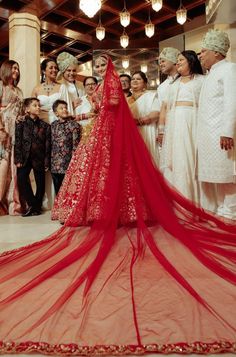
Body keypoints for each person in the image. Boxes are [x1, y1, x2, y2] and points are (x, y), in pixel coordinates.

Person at [0, 54, 236, 355]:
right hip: (102, 133)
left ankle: (122, 211)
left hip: (111, 133)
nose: (99, 70)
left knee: (118, 176)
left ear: (107, 67)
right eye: (96, 67)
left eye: (101, 65)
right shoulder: (99, 86)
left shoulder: (110, 84)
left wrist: (99, 107)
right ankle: (105, 210)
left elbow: (113, 106)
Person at [197, 29, 236, 220]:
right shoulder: (211, 74)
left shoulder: (230, 69)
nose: (200, 55)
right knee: (217, 176)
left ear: (217, 53)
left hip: (222, 134)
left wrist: (227, 132)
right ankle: (221, 210)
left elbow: (232, 101)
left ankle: (230, 213)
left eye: (204, 51)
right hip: (209, 134)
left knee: (227, 174)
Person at [158, 50, 204, 204]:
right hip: (175, 124)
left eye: (181, 60)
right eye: (176, 60)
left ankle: (198, 203)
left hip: (194, 121)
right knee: (178, 160)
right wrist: (162, 130)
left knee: (193, 158)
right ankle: (181, 205)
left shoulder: (202, 80)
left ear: (191, 61)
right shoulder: (173, 85)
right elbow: (164, 108)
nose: (177, 63)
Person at [14, 97, 51, 216]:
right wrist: (18, 158)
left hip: (39, 157)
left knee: (40, 183)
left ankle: (37, 207)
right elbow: (18, 142)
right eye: (35, 105)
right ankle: (33, 205)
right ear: (27, 109)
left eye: (39, 105)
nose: (38, 107)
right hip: (25, 157)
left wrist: (46, 161)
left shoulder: (45, 126)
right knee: (21, 179)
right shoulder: (21, 123)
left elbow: (47, 145)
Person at [0, 59, 23, 216]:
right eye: (14, 68)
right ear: (7, 69)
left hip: (16, 131)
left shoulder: (19, 91)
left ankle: (13, 204)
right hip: (4, 129)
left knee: (13, 168)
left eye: (17, 69)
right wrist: (0, 129)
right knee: (2, 165)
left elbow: (20, 111)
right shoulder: (0, 86)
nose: (16, 71)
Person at [128, 71, 159, 166]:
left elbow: (156, 113)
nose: (135, 81)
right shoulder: (127, 99)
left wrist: (138, 121)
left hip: (147, 130)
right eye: (133, 79)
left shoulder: (151, 96)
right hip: (131, 133)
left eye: (138, 79)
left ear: (145, 83)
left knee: (148, 160)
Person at [51, 99, 81, 195]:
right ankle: (58, 209)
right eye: (61, 108)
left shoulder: (74, 125)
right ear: (56, 113)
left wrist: (74, 162)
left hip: (68, 164)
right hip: (54, 164)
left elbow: (76, 145)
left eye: (65, 108)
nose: (64, 110)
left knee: (68, 190)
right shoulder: (53, 125)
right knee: (57, 190)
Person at [156, 47, 180, 113]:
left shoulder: (185, 80)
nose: (160, 64)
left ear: (174, 61)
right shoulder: (161, 87)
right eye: (159, 63)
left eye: (163, 61)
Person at [75, 76, 98, 143]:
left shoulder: (102, 99)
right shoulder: (80, 100)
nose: (90, 86)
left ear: (97, 85)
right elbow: (73, 118)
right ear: (84, 87)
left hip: (100, 132)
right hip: (84, 134)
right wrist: (86, 115)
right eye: (87, 84)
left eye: (93, 84)